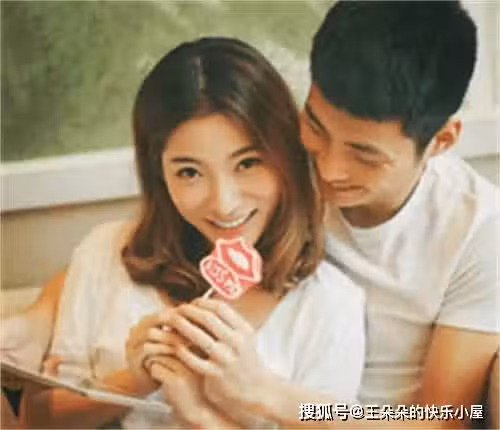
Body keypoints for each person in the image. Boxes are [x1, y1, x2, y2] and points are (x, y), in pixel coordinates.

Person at [157, 1, 498, 429]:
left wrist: (265, 394)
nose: (329, 170)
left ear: (442, 140)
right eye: (316, 127)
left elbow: (443, 421)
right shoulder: (274, 166)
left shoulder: (480, 234)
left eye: (364, 155)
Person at [11, 37, 365, 429]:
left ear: (286, 157)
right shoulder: (105, 252)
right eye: (190, 172)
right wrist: (134, 380)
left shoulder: (331, 306)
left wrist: (218, 407)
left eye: (248, 163)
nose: (224, 203)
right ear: (158, 174)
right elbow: (38, 420)